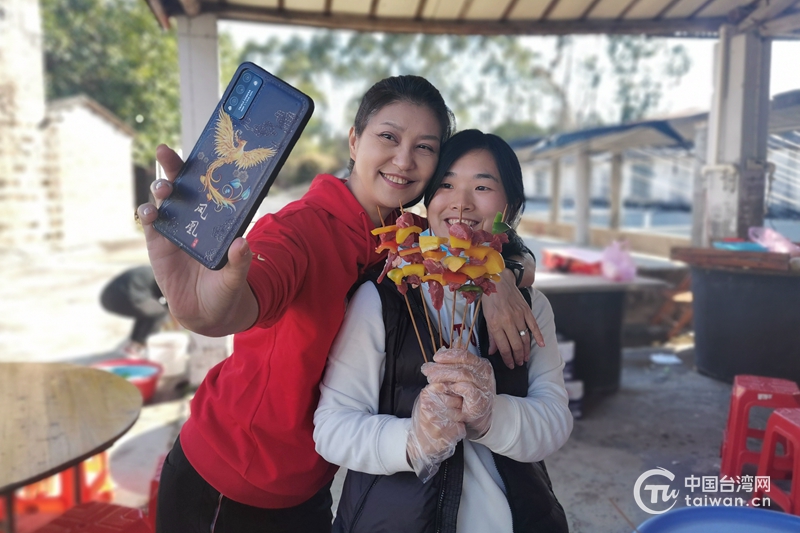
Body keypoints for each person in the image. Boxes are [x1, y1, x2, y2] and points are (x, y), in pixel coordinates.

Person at [136, 77, 541, 532]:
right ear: (354, 141)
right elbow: (248, 294)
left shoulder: (407, 236)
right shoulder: (298, 230)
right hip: (228, 480)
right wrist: (204, 310)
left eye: (424, 147)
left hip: (314, 481)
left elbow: (495, 244)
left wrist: (500, 277)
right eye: (388, 137)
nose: (404, 160)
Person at [314, 129, 573, 532]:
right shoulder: (382, 299)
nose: (461, 202)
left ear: (510, 206)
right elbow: (331, 429)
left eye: (482, 186)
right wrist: (412, 439)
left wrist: (492, 416)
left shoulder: (529, 307)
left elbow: (555, 421)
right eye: (446, 185)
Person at [100, 265, 169, 357]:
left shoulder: (153, 270)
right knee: (160, 312)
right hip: (126, 299)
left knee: (149, 309)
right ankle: (138, 347)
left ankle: (133, 343)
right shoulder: (161, 277)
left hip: (107, 299)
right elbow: (165, 300)